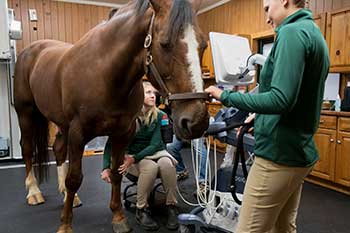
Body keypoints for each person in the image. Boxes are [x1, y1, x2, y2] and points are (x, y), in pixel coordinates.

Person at [205, 0, 330, 232]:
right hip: (298, 152)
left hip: (277, 156)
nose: (266, 18)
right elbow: (295, 98)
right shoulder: (312, 32)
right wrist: (260, 117)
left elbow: (281, 99)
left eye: (266, 8)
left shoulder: (291, 33)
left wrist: (225, 97)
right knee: (283, 227)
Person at [101, 81, 179, 231]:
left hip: (152, 154)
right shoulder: (127, 117)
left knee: (167, 165)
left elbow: (156, 144)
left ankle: (171, 206)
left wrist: (133, 159)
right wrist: (106, 167)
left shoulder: (160, 115)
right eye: (148, 92)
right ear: (138, 96)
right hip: (136, 160)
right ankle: (141, 209)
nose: (153, 96)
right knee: (150, 167)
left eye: (153, 93)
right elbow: (111, 144)